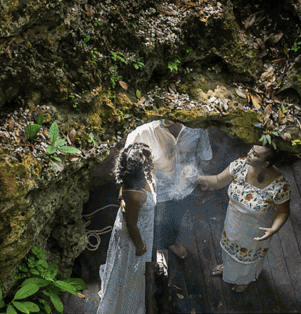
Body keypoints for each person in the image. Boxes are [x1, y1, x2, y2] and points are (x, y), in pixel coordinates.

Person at [196, 144, 292, 293]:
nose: (249, 154)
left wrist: (274, 229)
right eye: (251, 150)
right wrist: (197, 178)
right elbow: (217, 180)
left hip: (255, 231)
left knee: (247, 260)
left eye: (255, 154)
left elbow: (283, 212)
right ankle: (228, 268)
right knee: (229, 250)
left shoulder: (279, 187)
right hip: (233, 221)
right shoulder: (240, 165)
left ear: (266, 163)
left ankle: (245, 279)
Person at [124, 120, 212, 260]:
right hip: (158, 194)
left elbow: (205, 155)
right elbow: (127, 167)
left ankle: (171, 242)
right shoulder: (142, 133)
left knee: (175, 221)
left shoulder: (197, 128)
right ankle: (155, 250)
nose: (167, 117)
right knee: (154, 225)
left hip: (185, 189)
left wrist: (201, 178)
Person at [94, 143, 156, 314]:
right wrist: (141, 246)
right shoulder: (133, 191)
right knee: (130, 274)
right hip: (135, 236)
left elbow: (122, 197)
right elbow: (131, 225)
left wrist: (123, 204)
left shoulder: (131, 183)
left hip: (139, 224)